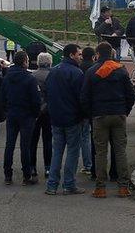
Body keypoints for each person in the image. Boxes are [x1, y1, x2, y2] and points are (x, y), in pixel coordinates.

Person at [80, 42, 135, 198]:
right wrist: (125, 111)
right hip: (118, 115)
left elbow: (84, 97)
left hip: (99, 116)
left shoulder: (91, 72)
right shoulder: (121, 71)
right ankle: (123, 187)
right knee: (120, 151)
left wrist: (92, 114)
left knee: (100, 153)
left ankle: (100, 188)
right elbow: (131, 95)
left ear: (97, 54)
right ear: (111, 54)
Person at [44, 44, 86, 195]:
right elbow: (81, 97)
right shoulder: (77, 73)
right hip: (72, 118)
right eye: (79, 54)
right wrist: (82, 115)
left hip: (56, 118)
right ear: (71, 55)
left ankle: (52, 185)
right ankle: (69, 184)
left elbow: (46, 92)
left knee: (57, 152)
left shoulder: (53, 71)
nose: (81, 57)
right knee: (73, 152)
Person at [0, 50, 41, 185]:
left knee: (9, 145)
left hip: (12, 113)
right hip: (27, 115)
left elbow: (2, 96)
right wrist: (35, 114)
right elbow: (36, 100)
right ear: (24, 62)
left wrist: (7, 110)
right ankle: (26, 175)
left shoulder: (7, 77)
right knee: (25, 146)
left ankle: (7, 174)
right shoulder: (30, 78)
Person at [30, 52, 53, 179]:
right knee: (48, 140)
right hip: (48, 111)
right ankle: (48, 167)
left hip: (34, 112)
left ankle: (32, 167)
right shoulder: (52, 75)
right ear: (49, 62)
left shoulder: (32, 76)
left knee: (33, 141)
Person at [78, 46, 96, 175]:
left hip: (82, 107)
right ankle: (95, 164)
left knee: (84, 136)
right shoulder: (96, 68)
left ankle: (87, 164)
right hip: (95, 106)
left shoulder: (78, 68)